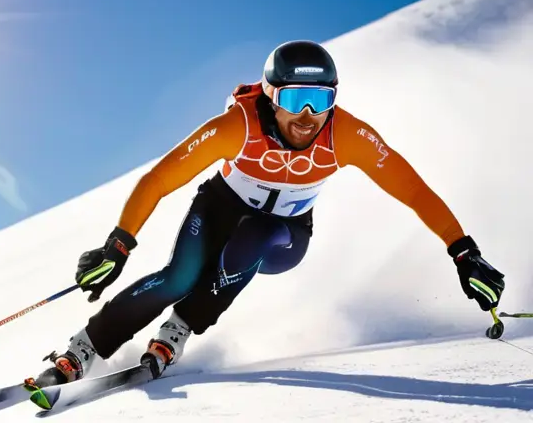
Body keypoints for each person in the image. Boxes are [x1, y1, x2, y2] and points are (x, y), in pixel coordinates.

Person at [27, 39, 506, 389]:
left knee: (254, 238)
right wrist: (119, 243)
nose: (308, 116)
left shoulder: (350, 137)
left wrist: (465, 253)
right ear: (271, 96)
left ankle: (180, 328)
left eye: (321, 101)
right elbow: (158, 180)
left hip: (284, 233)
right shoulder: (235, 126)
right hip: (218, 207)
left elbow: (414, 190)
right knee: (180, 275)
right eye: (297, 100)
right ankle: (83, 349)